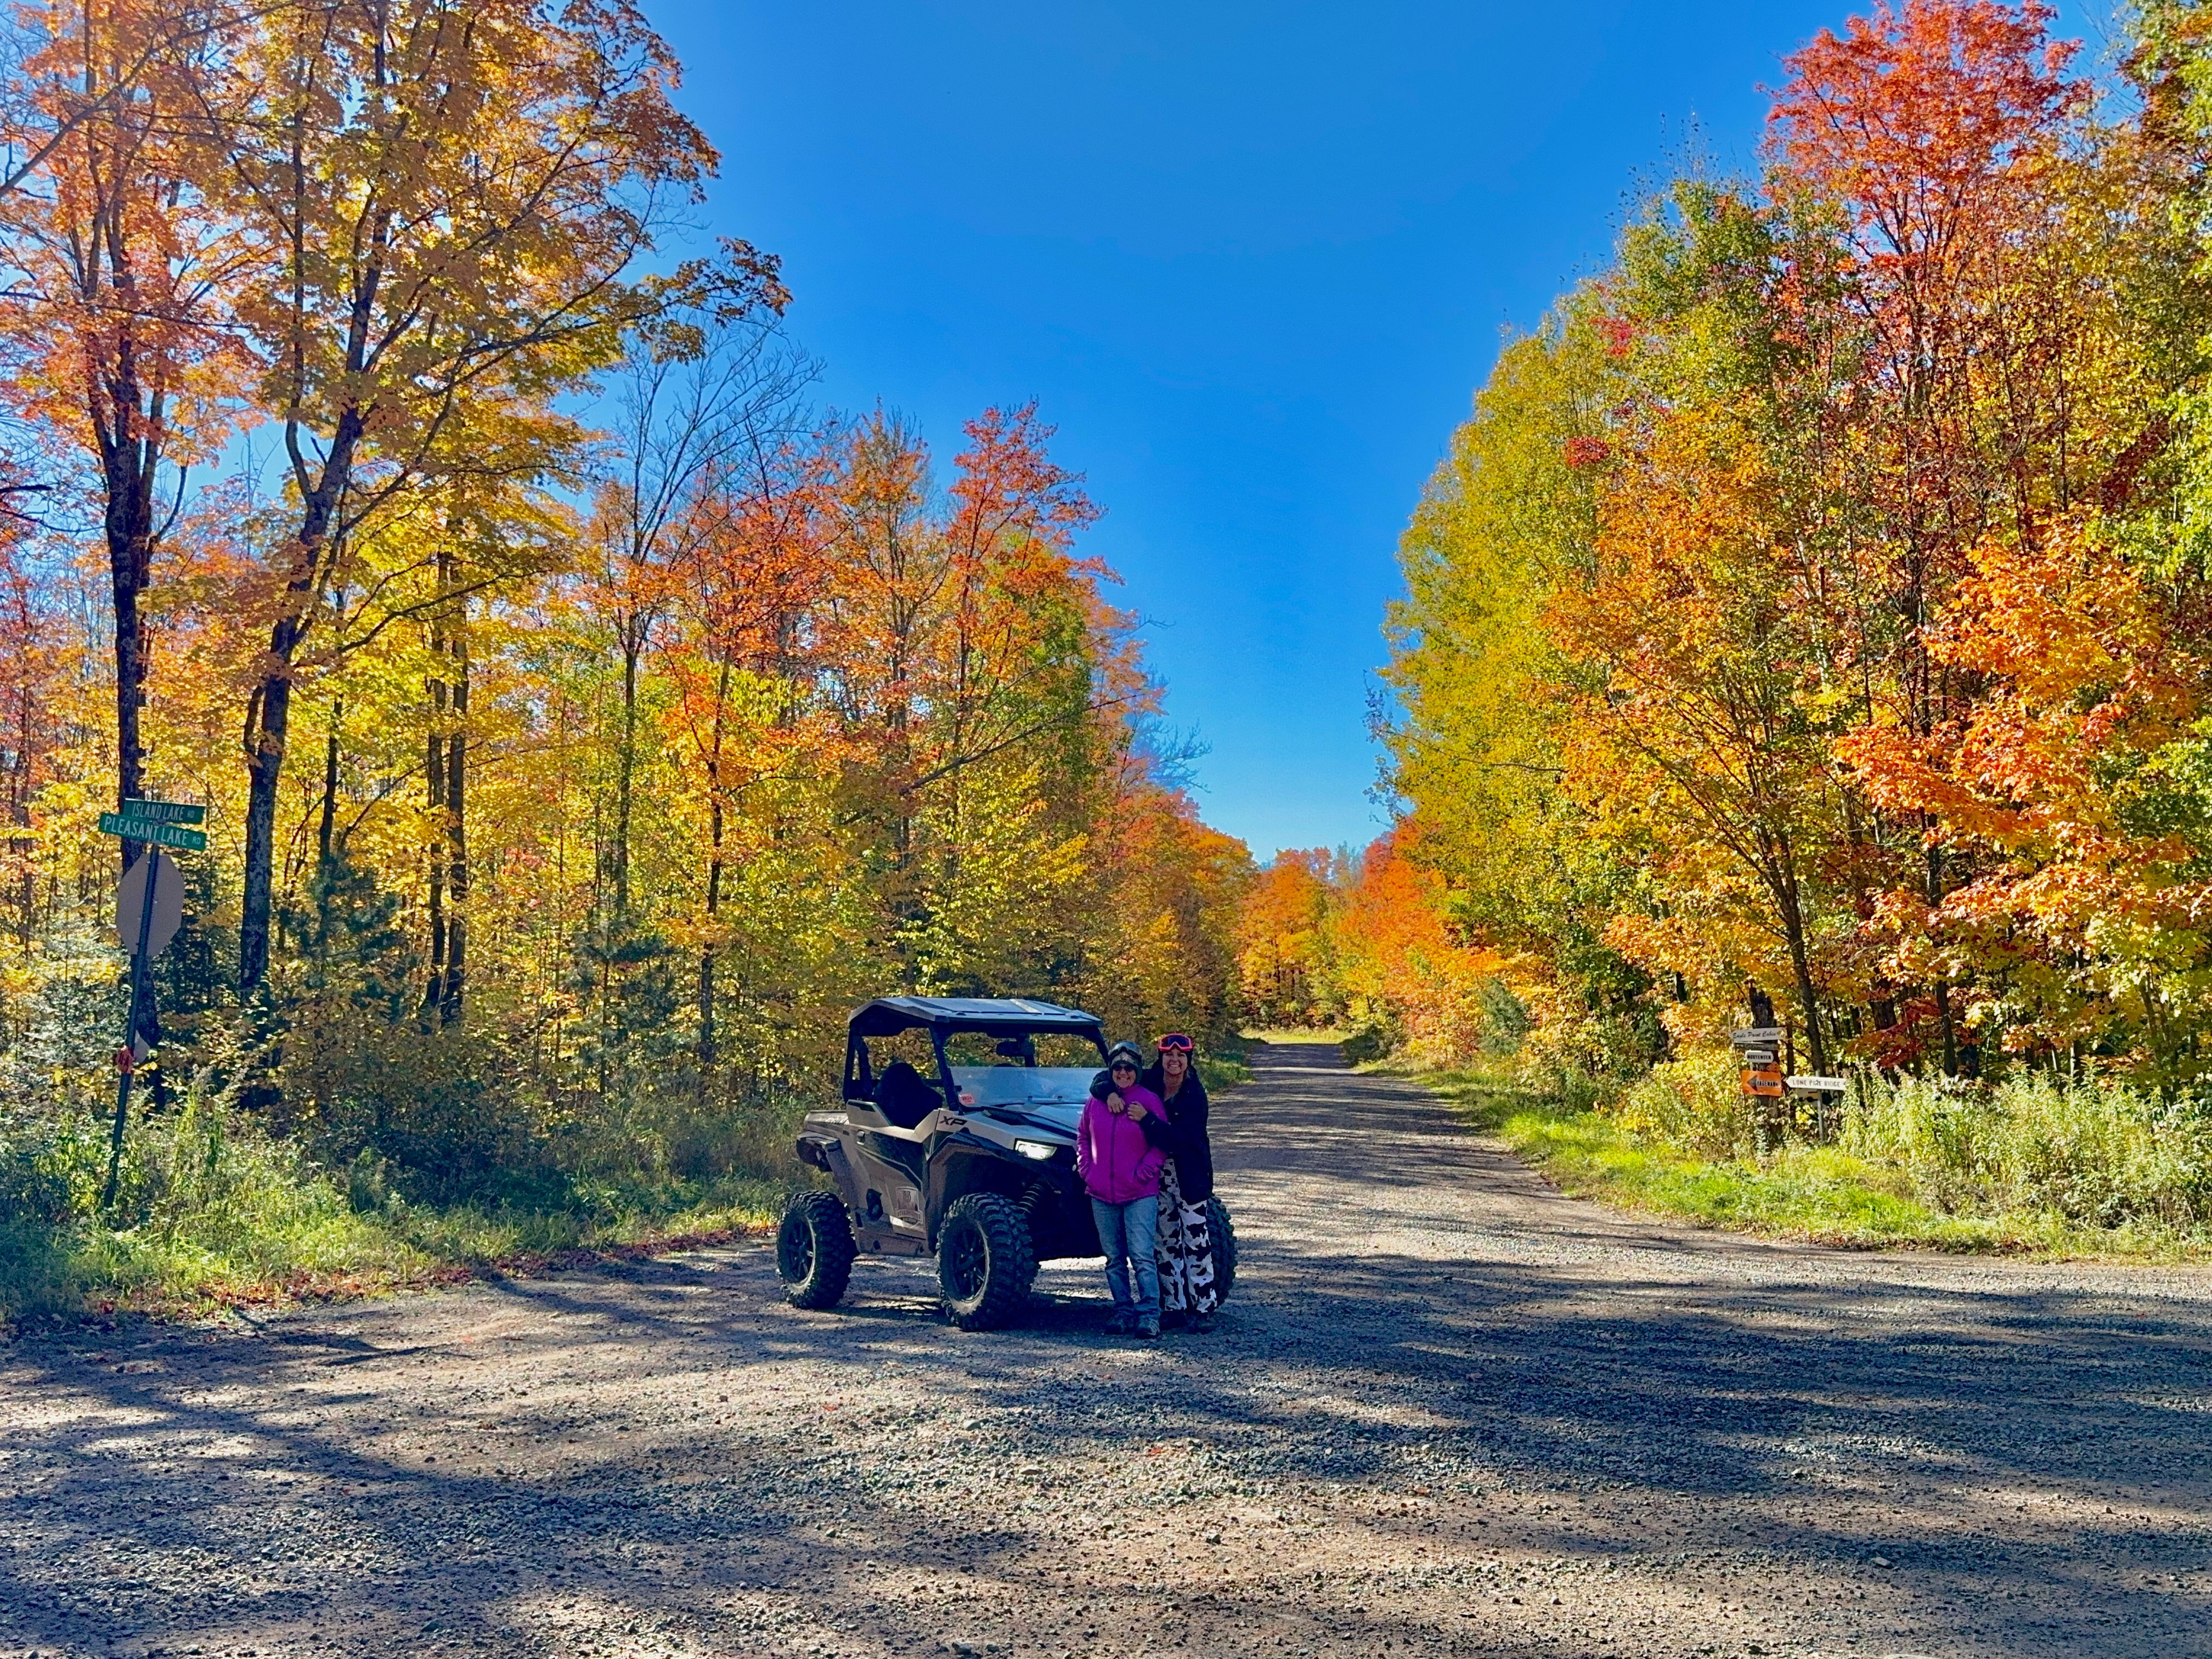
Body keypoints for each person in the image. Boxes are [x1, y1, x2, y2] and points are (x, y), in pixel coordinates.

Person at [1076, 1041, 1165, 1339]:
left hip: (1140, 1192)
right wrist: (1088, 1171)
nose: (1123, 1073)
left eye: (1129, 1068)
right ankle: (1122, 1311)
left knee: (1141, 1255)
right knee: (1114, 1258)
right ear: (1111, 1071)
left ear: (1137, 1071)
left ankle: (1150, 1315)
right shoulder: (1095, 1101)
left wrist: (1144, 1174)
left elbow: (1160, 1145)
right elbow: (1082, 1137)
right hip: (1102, 1193)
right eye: (1118, 1068)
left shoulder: (1148, 1100)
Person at [1144, 1033, 1220, 1330]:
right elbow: (1110, 1079)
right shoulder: (1149, 1081)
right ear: (1161, 1057)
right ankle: (1173, 1306)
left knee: (1196, 1240)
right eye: (1168, 1056)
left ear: (1188, 1060)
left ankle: (1203, 1307)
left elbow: (1181, 1138)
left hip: (1189, 1176)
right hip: (1157, 1175)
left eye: (1180, 1057)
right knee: (1164, 1240)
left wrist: (1148, 1121)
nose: (1174, 1061)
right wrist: (1107, 1093)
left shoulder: (1195, 1094)